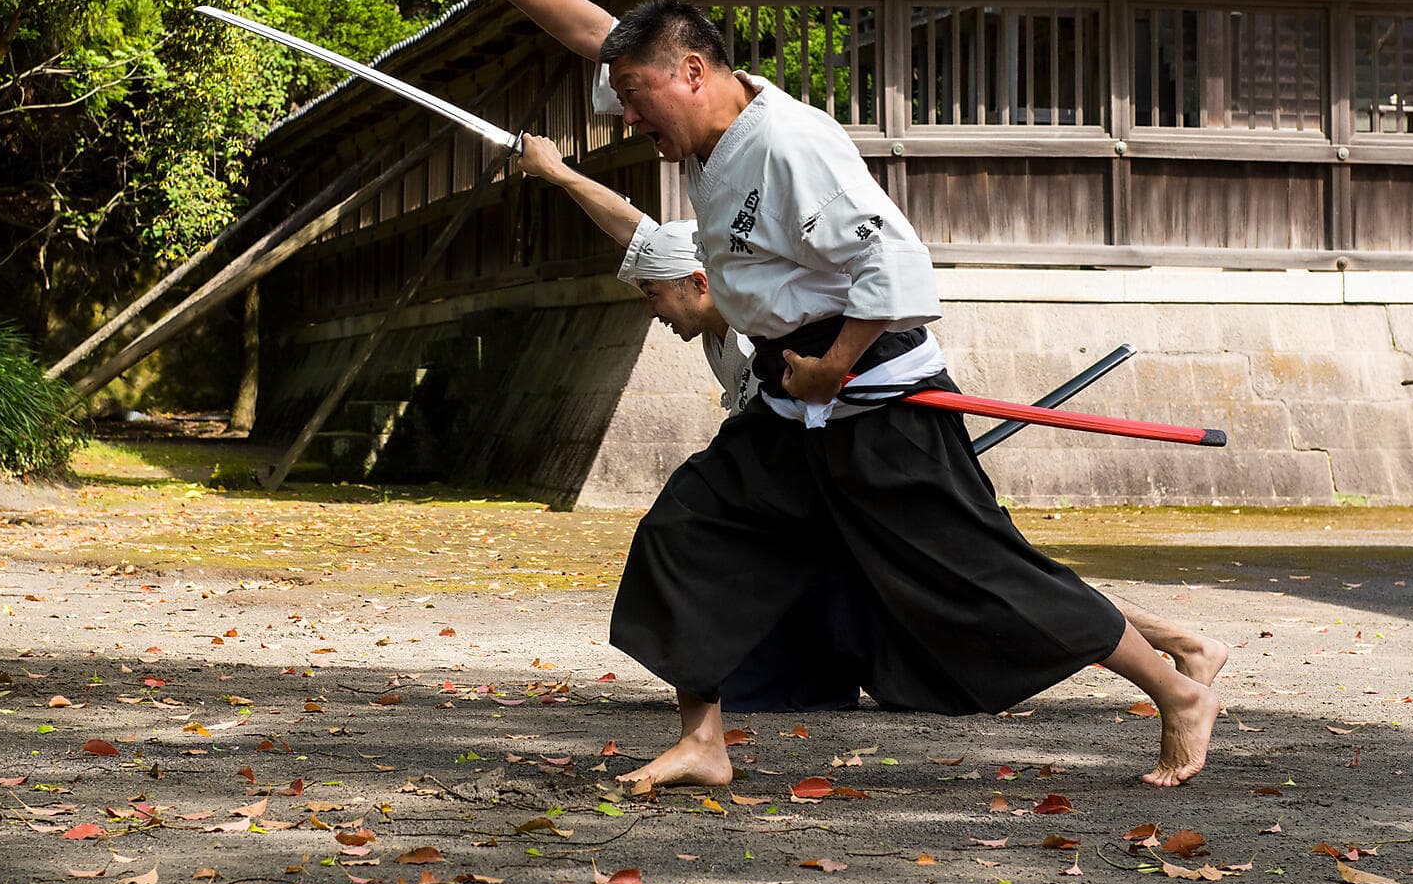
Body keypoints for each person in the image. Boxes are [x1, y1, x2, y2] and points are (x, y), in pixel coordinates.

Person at [430, 0, 1221, 788]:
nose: (625, 113)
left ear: (692, 73)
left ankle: (1174, 691)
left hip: (874, 401)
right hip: (789, 405)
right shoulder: (707, 126)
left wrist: (836, 364)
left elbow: (894, 261)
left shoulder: (789, 145)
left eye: (635, 95)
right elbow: (600, 34)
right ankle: (704, 740)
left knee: (981, 574)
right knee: (687, 533)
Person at [515, 134, 1229, 711]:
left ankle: (1176, 654)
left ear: (699, 281)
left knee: (977, 567)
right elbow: (638, 233)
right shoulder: (712, 296)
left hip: (875, 427)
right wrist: (556, 173)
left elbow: (879, 284)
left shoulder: (754, 306)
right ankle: (1174, 650)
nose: (651, 312)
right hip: (808, 454)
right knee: (927, 569)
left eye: (654, 296)